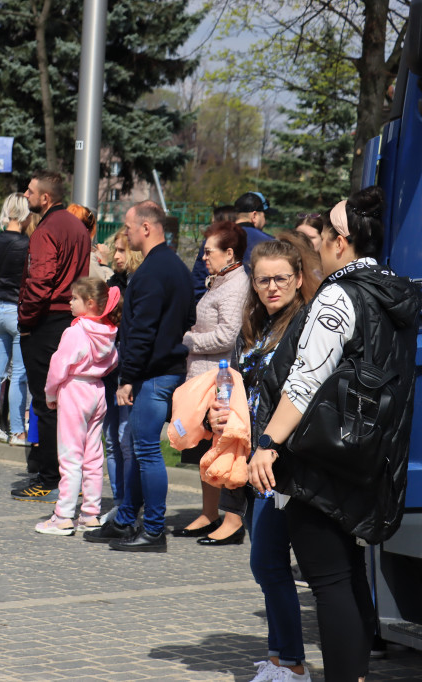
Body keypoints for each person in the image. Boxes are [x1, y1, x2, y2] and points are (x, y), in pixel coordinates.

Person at [242, 188, 420, 681]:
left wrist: (269, 444)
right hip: (368, 454)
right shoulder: (393, 292)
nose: (316, 245)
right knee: (349, 577)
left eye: (321, 237)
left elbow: (305, 380)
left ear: (341, 242)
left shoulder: (339, 296)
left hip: (321, 455)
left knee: (330, 581)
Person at [205, 238, 318, 682]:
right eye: (263, 279)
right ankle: (280, 656)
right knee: (267, 562)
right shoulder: (257, 324)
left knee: (270, 562)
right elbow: (235, 383)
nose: (272, 287)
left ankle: (290, 662)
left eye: (281, 279)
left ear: (298, 278)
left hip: (282, 459)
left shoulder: (304, 325)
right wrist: (221, 409)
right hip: (250, 456)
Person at [83, 200, 195, 552]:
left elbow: (142, 330)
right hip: (160, 370)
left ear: (146, 228)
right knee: (136, 445)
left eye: (129, 227)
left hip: (154, 374)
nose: (126, 233)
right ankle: (125, 518)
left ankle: (153, 529)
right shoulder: (175, 266)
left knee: (146, 451)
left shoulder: (150, 272)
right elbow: (186, 317)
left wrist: (128, 377)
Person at [12, 170, 91, 502]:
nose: (25, 196)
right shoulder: (78, 227)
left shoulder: (46, 229)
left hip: (46, 321)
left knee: (46, 403)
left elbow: (40, 281)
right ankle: (64, 475)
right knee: (62, 403)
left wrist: (26, 318)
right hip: (68, 319)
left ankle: (48, 478)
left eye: (30, 192)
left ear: (46, 198)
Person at [173, 221, 249, 542]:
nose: (204, 257)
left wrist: (188, 340)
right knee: (206, 445)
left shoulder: (236, 285)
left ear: (229, 253)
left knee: (224, 446)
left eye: (209, 251)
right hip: (204, 377)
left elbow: (228, 335)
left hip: (220, 380)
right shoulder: (220, 281)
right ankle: (209, 513)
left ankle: (231, 521)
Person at [34, 278, 120, 535]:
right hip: (97, 389)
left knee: (70, 455)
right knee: (93, 455)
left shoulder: (75, 331)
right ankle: (90, 513)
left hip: (74, 389)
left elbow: (58, 366)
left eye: (74, 299)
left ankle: (63, 516)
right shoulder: (108, 330)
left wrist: (50, 393)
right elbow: (114, 360)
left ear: (89, 303)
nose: (69, 302)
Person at [101, 228, 143, 521]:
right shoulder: (111, 285)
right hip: (108, 371)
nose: (115, 256)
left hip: (129, 373)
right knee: (110, 439)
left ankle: (131, 503)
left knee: (125, 438)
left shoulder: (140, 286)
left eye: (121, 250)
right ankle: (119, 500)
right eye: (114, 250)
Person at [0, 193, 30, 445]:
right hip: (18, 310)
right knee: (19, 374)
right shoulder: (26, 244)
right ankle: (18, 431)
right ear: (24, 213)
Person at [192, 193, 274, 301]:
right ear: (254, 216)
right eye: (264, 216)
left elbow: (198, 280)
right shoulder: (271, 243)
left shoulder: (214, 239)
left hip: (214, 304)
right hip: (256, 308)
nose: (265, 221)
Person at [67, 203, 112, 282]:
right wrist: (104, 262)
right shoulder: (88, 257)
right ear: (86, 231)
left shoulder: (57, 249)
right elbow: (106, 285)